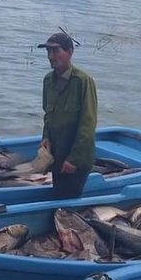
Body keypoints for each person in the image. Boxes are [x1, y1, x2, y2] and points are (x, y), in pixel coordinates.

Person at [38, 31, 98, 199]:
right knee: (59, 196)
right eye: (48, 51)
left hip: (76, 159)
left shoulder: (83, 81)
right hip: (57, 156)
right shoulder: (48, 80)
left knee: (66, 205)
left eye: (56, 51)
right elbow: (48, 116)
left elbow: (88, 124)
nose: (50, 56)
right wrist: (45, 138)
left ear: (70, 52)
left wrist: (74, 159)